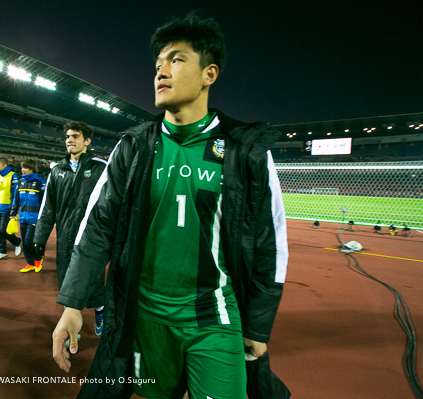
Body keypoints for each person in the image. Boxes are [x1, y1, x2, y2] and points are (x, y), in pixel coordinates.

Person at [51, 14, 288, 399]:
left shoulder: (245, 150)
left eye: (176, 60)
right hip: (145, 317)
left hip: (216, 318)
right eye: (158, 63)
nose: (161, 70)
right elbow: (97, 228)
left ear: (209, 74)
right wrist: (73, 303)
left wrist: (258, 328)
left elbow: (270, 243)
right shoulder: (133, 146)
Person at [34, 121, 108, 336]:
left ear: (87, 141)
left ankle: (100, 311)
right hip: (65, 236)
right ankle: (68, 327)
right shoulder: (57, 170)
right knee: (66, 278)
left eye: (75, 136)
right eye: (67, 136)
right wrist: (39, 238)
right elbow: (48, 207)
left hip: (92, 235)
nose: (69, 140)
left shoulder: (100, 168)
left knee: (94, 278)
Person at [10, 159, 45, 273]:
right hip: (22, 217)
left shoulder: (40, 182)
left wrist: (43, 217)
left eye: (25, 168)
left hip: (34, 218)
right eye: (22, 168)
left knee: (29, 242)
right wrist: (13, 214)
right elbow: (16, 200)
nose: (23, 170)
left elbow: (44, 201)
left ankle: (38, 260)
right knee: (24, 243)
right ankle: (30, 263)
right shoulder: (20, 182)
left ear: (32, 169)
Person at [0, 158, 22, 260]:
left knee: (3, 230)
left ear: (5, 165)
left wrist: (13, 209)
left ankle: (16, 242)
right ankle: (2, 251)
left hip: (7, 206)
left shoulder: (13, 175)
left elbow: (14, 194)